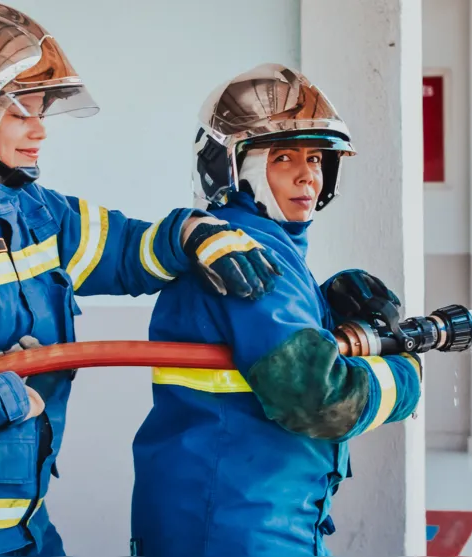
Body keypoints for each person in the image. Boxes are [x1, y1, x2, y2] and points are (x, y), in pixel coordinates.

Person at [0, 4, 280, 556]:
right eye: (20, 114)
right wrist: (5, 398)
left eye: (41, 113)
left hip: (20, 522)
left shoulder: (32, 211)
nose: (40, 131)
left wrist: (196, 234)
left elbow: (129, 251)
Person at [130, 63, 424, 556]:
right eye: (283, 157)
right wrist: (405, 378)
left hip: (231, 513)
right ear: (231, 167)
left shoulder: (256, 249)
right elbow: (316, 397)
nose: (307, 173)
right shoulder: (248, 256)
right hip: (239, 526)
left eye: (315, 158)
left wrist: (325, 307)